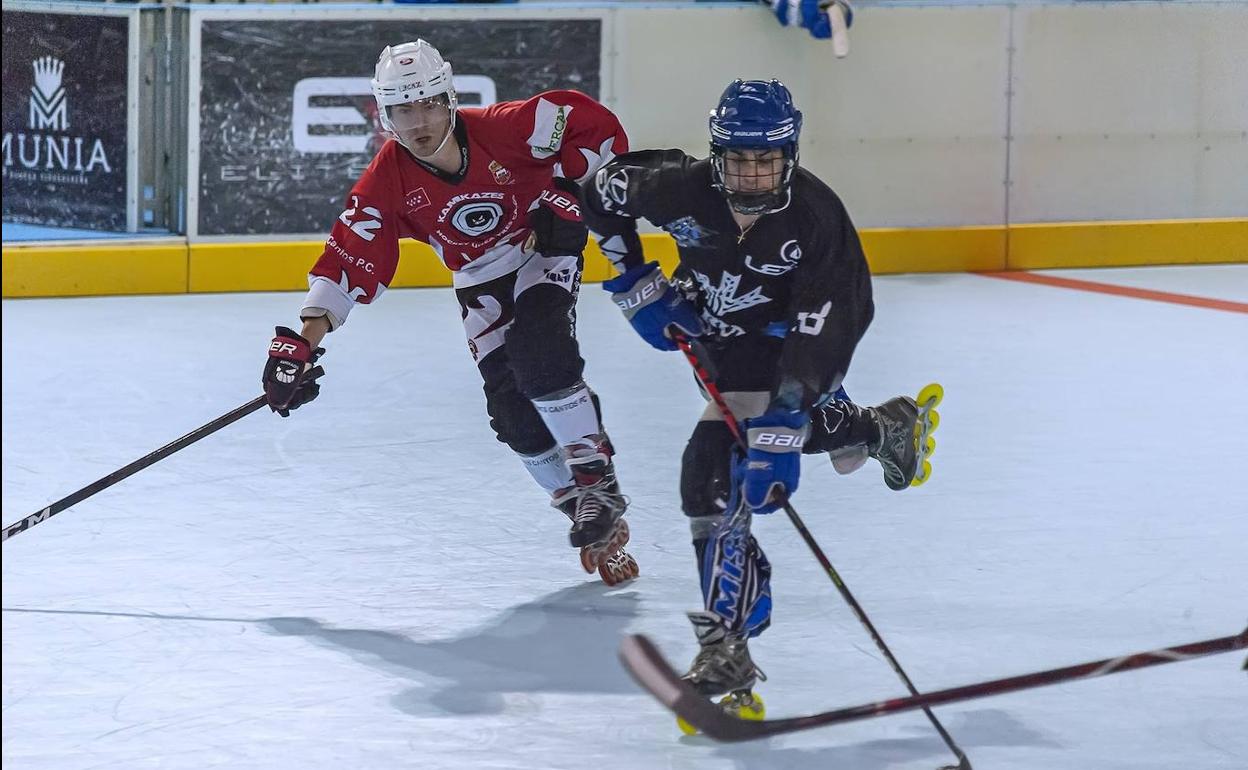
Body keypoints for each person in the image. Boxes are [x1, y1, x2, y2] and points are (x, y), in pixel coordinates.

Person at [580, 79, 939, 706]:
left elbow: (832, 326)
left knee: (710, 472)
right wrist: (635, 280)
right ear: (716, 155)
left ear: (790, 154)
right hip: (716, 337)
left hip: (788, 349)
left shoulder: (818, 219)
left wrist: (787, 413)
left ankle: (728, 646)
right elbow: (597, 192)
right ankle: (880, 429)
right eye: (738, 161)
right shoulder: (676, 185)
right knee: (758, 447)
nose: (751, 177)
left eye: (766, 161)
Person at [260, 40, 638, 586]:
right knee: (511, 417)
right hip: (478, 278)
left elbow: (589, 123)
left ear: (450, 98)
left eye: (429, 104)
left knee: (540, 354)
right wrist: (302, 344)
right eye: (403, 109)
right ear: (384, 114)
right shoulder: (386, 180)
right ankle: (573, 499)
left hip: (542, 252)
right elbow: (348, 257)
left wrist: (573, 200)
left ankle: (596, 481)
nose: (419, 121)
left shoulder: (508, 128)